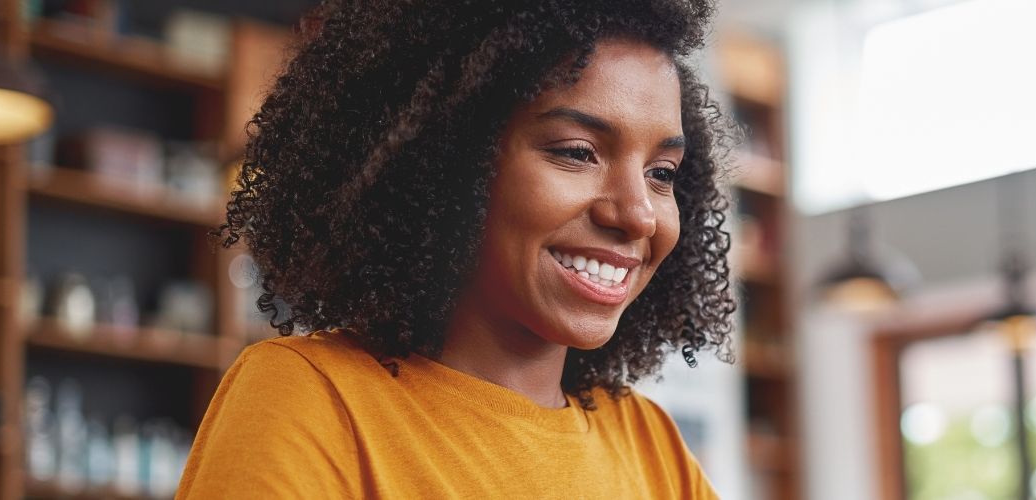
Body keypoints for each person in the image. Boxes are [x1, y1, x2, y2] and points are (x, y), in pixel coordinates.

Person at [176, 0, 735, 497]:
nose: (637, 212)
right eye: (577, 152)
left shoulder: (650, 445)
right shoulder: (312, 401)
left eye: (662, 173)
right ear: (441, 163)